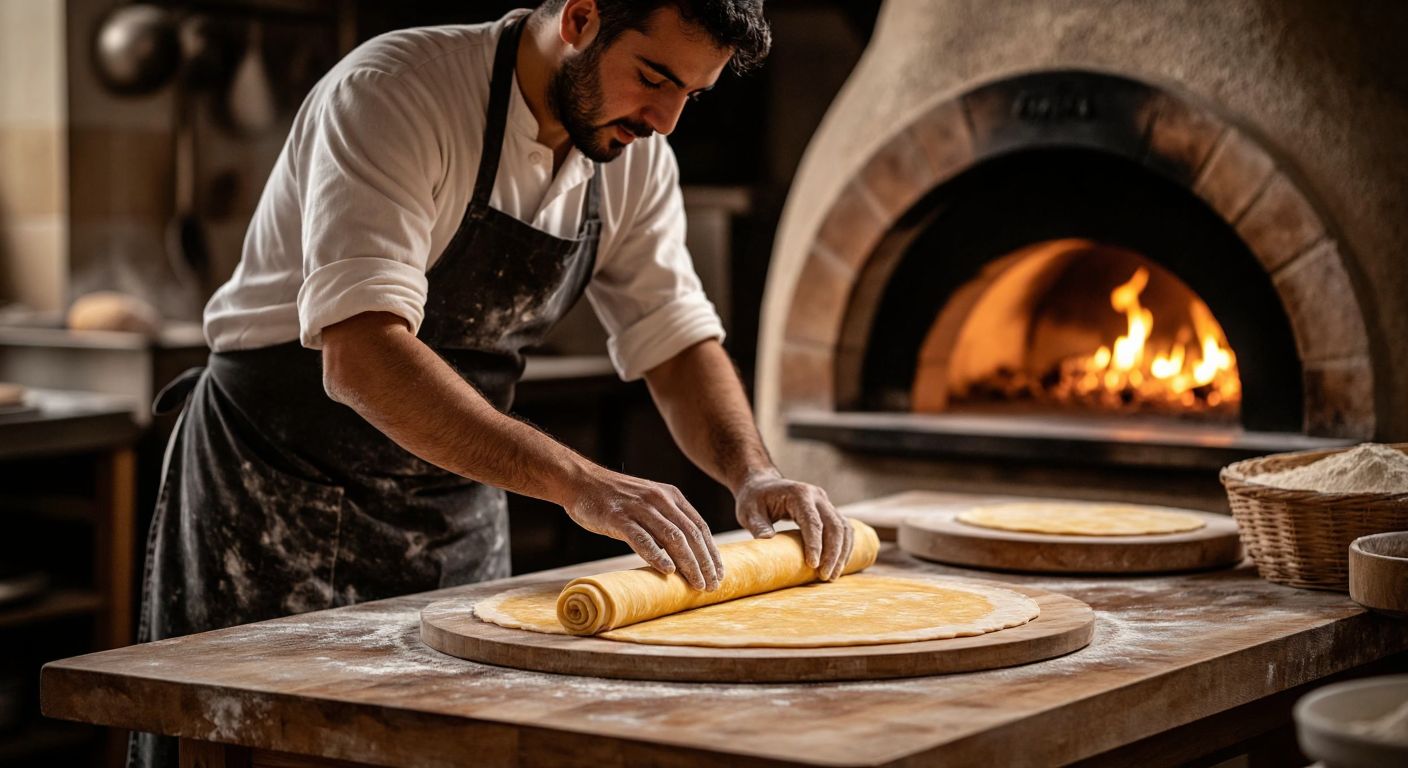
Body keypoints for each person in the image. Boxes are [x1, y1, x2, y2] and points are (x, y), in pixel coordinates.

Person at [132, 2, 854, 764]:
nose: (666, 119)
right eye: (653, 77)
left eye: (691, 95)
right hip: (278, 480)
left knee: (454, 741)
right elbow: (362, 356)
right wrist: (579, 481)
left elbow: (675, 342)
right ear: (580, 18)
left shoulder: (635, 157)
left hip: (455, 491)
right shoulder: (395, 91)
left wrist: (754, 473)